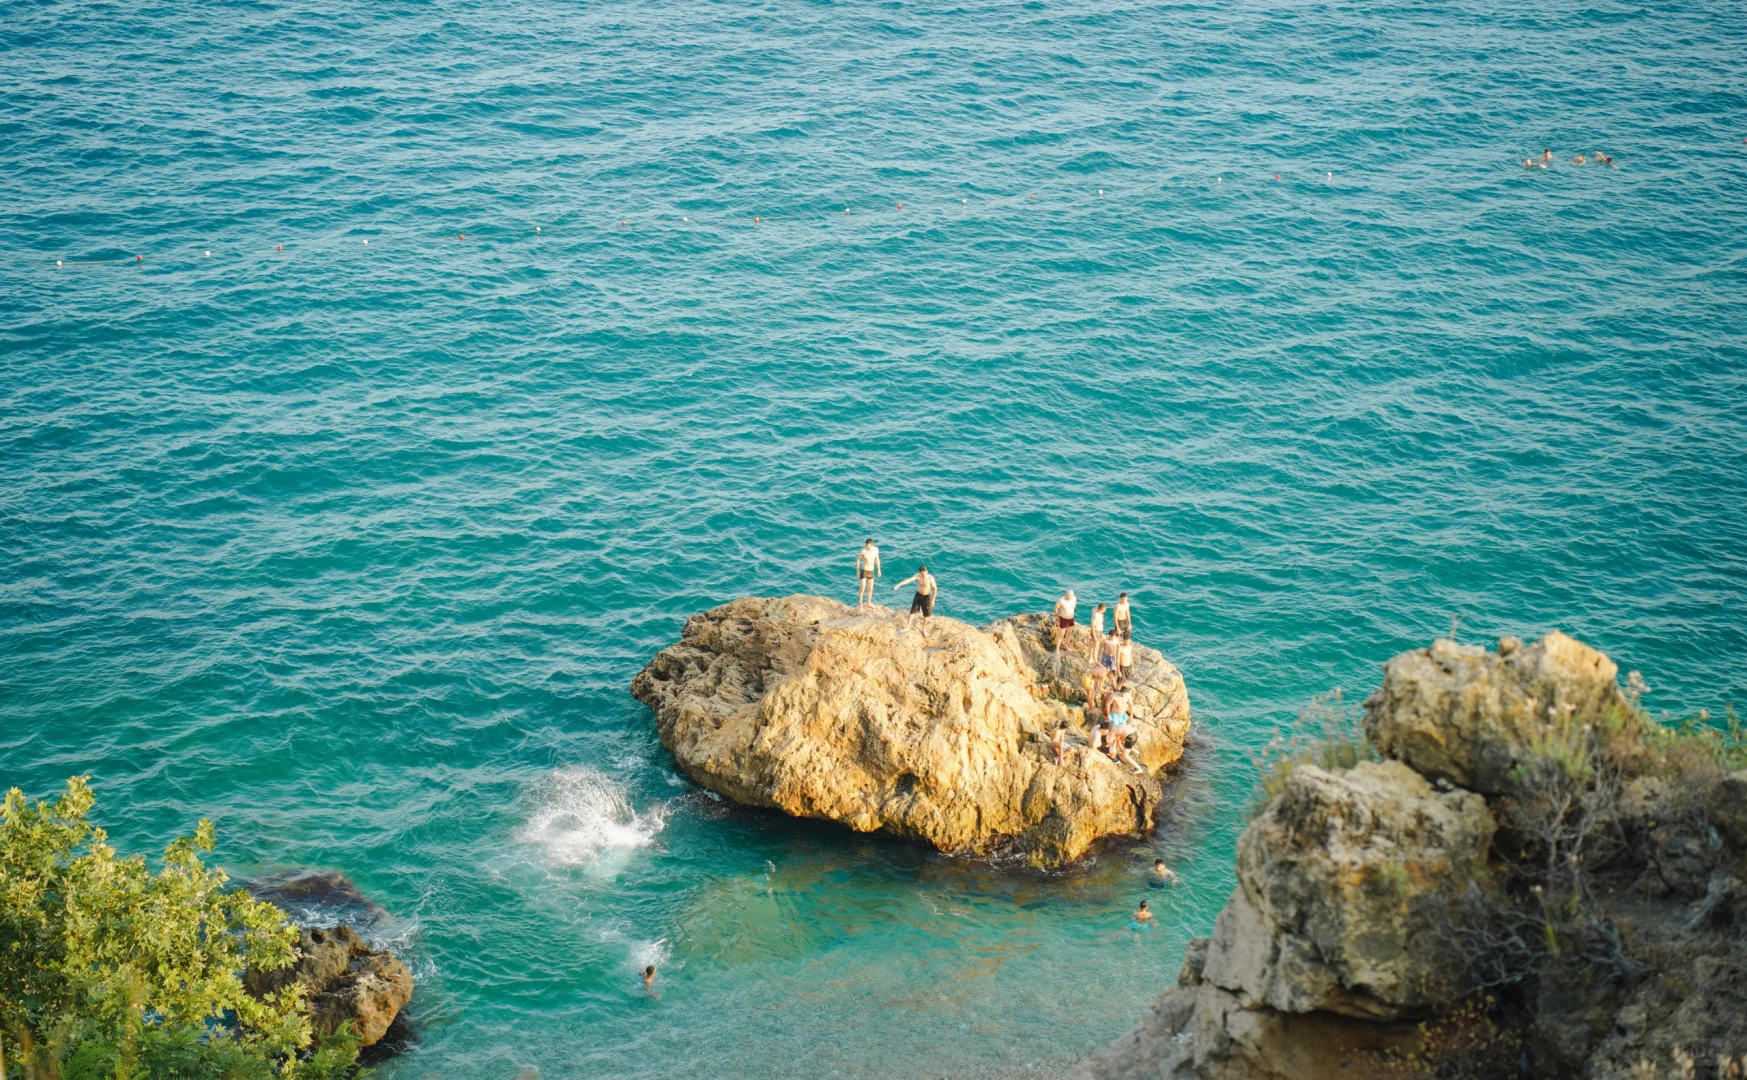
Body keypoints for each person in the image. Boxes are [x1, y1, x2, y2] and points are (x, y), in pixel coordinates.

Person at [894, 566, 938, 631]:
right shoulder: (918, 576)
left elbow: (935, 588)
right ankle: (907, 627)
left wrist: (933, 599)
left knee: (926, 614)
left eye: (924, 573)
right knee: (912, 611)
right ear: (920, 572)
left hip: (927, 597)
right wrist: (899, 585)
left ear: (927, 572)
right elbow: (908, 580)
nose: (923, 575)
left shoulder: (930, 578)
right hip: (918, 595)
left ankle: (923, 629)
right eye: (921, 573)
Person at [855, 539, 882, 607]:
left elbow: (877, 559)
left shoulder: (876, 550)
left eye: (869, 546)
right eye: (866, 546)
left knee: (870, 589)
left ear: (872, 545)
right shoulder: (863, 551)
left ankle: (868, 603)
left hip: (871, 572)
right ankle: (860, 604)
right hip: (864, 571)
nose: (867, 547)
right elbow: (857, 560)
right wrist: (857, 571)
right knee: (862, 589)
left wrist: (879, 570)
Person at [1052, 590, 1077, 656]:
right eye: (1069, 596)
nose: (1070, 597)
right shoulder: (1061, 600)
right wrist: (1058, 617)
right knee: (1061, 635)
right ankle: (1057, 649)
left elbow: (1074, 606)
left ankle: (1066, 645)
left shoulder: (1074, 599)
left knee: (1069, 633)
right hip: (1063, 619)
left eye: (1072, 596)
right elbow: (1055, 608)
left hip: (1071, 619)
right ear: (1066, 594)